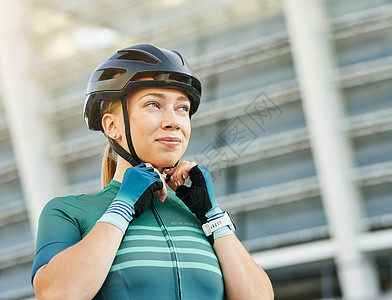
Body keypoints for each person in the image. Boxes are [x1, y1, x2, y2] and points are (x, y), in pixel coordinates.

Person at [31, 44, 274, 299]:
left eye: (182, 108)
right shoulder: (69, 212)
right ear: (112, 125)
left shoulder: (198, 217)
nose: (173, 121)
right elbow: (56, 293)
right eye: (153, 105)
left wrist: (214, 217)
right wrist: (122, 207)